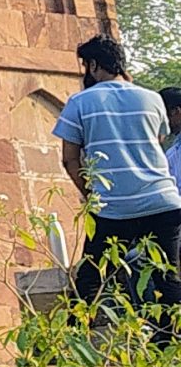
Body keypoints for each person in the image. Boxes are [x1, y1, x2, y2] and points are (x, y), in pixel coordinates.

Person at [53, 37, 180, 315]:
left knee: (90, 281)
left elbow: (69, 159)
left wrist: (91, 196)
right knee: (167, 278)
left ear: (94, 65)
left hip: (113, 208)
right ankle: (171, 338)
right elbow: (156, 142)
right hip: (163, 202)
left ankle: (74, 337)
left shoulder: (80, 102)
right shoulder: (151, 98)